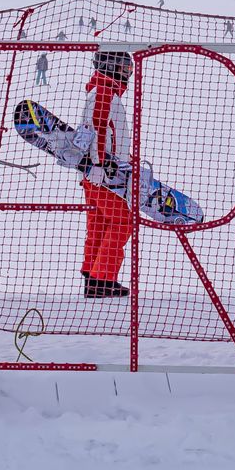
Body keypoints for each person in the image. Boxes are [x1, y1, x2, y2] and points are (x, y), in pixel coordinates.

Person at [80, 49, 137, 298]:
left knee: (100, 223)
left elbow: (109, 133)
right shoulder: (103, 92)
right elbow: (98, 129)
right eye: (126, 68)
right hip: (103, 174)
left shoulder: (105, 91)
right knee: (123, 222)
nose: (129, 73)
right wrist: (100, 163)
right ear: (113, 66)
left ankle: (93, 277)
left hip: (100, 170)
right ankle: (102, 278)